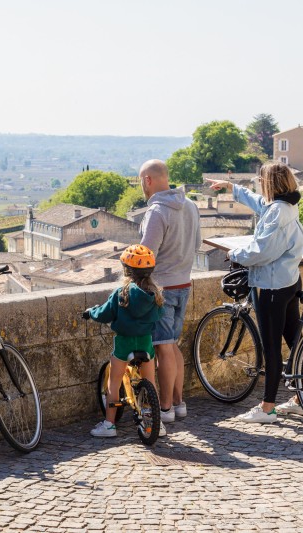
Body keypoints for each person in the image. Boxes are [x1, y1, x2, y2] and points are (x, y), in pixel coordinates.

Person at [204, 162, 303, 423]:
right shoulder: (287, 206)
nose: (260, 185)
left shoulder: (277, 213)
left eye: (262, 181)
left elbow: (261, 251)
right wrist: (232, 188)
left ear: (270, 183)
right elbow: (261, 203)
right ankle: (299, 398)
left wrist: (233, 254)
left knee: (271, 347)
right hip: (290, 281)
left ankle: (267, 407)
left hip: (273, 286)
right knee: (295, 340)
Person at [138, 159, 201, 424]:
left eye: (141, 181)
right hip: (184, 283)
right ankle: (178, 402)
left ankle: (164, 408)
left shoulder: (157, 212)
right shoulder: (191, 206)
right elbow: (197, 244)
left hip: (161, 287)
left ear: (148, 180)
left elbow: (145, 255)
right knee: (172, 344)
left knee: (163, 348)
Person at [84, 244, 165, 438]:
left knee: (114, 383)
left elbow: (104, 313)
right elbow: (159, 315)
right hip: (146, 342)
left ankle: (109, 424)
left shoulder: (121, 293)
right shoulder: (155, 295)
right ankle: (157, 423)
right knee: (150, 383)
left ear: (126, 270)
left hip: (124, 343)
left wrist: (91, 313)